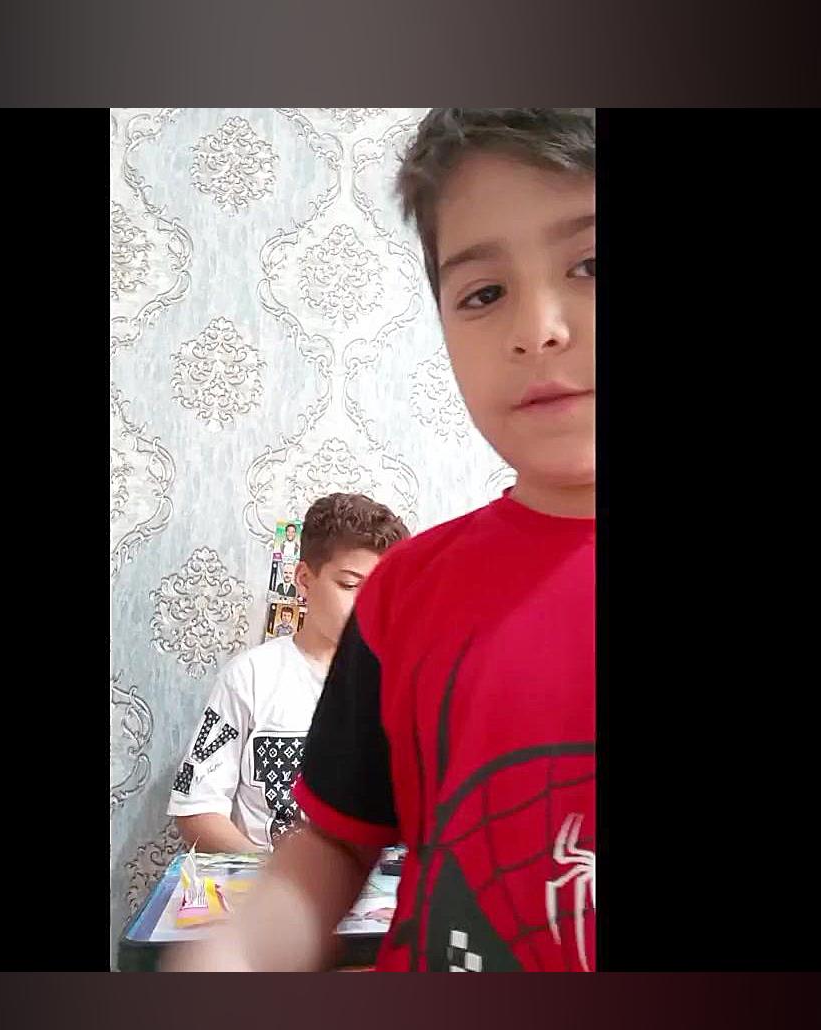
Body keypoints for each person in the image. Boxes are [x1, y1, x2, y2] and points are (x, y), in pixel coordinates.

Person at [168, 109, 595, 970]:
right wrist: (241, 954)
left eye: (589, 264)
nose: (538, 327)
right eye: (483, 293)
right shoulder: (406, 594)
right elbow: (330, 843)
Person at [167, 494, 410, 853]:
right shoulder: (251, 676)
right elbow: (197, 809)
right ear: (305, 579)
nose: (368, 604)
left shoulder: (403, 683)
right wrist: (271, 875)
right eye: (349, 585)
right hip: (265, 878)